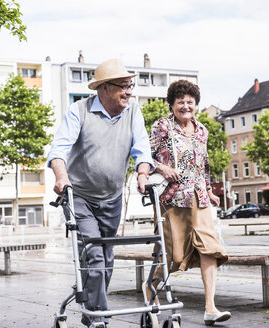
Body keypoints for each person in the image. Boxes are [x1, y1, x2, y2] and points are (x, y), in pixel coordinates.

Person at [47, 58, 154, 326]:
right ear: (104, 88)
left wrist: (142, 173)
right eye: (124, 87)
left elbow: (142, 148)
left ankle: (91, 307)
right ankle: (98, 319)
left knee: (105, 257)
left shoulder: (133, 111)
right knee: (94, 253)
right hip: (80, 196)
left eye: (131, 86)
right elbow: (59, 149)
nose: (129, 92)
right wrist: (61, 177)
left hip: (112, 197)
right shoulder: (79, 111)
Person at [149, 80, 231, 326]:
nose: (185, 106)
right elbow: (146, 157)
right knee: (171, 254)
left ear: (196, 104)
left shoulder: (202, 130)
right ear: (172, 104)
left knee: (210, 248)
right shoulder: (162, 126)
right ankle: (151, 292)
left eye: (190, 102)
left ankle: (210, 308)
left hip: (199, 198)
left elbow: (203, 165)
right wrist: (163, 168)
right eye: (180, 102)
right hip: (172, 197)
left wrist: (209, 190)